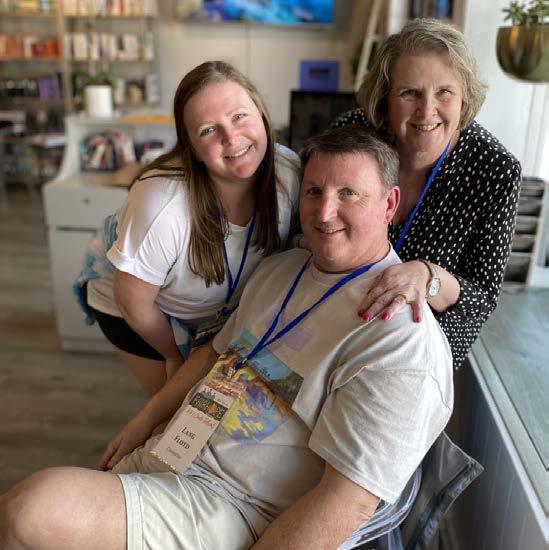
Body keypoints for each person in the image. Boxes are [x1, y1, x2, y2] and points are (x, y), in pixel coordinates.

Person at [0, 126, 453, 550]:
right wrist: (144, 421)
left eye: (349, 193)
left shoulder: (400, 339)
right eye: (314, 191)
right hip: (173, 452)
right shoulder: (282, 269)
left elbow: (348, 503)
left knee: (30, 511)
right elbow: (214, 356)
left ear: (389, 204)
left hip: (229, 504)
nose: (324, 212)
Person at [74, 61, 300, 396]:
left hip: (213, 313)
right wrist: (173, 356)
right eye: (208, 130)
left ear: (262, 114)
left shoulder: (289, 171)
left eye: (239, 116)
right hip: (137, 309)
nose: (231, 137)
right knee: (178, 411)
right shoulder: (162, 205)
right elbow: (133, 302)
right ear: (191, 148)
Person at [331, 18, 521, 367]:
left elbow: (482, 299)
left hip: (423, 350)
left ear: (464, 98)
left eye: (444, 92)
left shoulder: (495, 170)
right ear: (385, 97)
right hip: (341, 320)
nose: (427, 110)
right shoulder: (354, 133)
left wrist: (428, 276)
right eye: (410, 93)